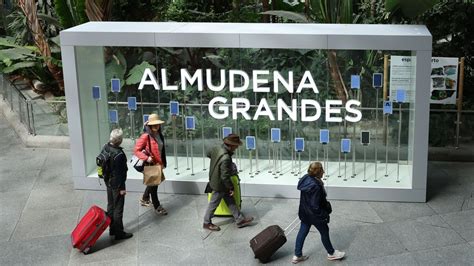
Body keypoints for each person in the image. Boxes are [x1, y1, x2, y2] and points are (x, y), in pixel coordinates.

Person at [292, 162, 345, 263]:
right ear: (318, 172)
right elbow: (314, 205)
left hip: (305, 212)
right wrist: (324, 215)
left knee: (302, 232)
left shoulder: (306, 178)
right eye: (322, 170)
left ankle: (297, 255)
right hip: (314, 215)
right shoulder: (316, 186)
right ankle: (331, 253)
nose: (323, 172)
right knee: (324, 231)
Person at [203, 133, 254, 231]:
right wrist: (230, 187)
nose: (237, 147)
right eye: (236, 145)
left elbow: (208, 153)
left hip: (215, 178)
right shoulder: (226, 158)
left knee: (230, 200)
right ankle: (206, 222)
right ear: (231, 145)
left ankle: (239, 220)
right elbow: (225, 176)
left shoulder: (217, 147)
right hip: (220, 183)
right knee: (214, 203)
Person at [134, 113, 168, 215]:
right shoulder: (145, 136)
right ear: (149, 125)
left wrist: (162, 162)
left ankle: (145, 198)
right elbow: (136, 150)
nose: (156, 126)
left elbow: (161, 151)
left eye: (157, 124)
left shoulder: (159, 134)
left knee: (154, 182)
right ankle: (157, 206)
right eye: (154, 125)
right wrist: (146, 158)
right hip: (151, 164)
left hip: (158, 163)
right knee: (154, 185)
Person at [105, 128, 133, 240]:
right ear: (120, 140)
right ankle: (119, 233)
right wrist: (122, 188)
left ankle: (112, 229)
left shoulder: (106, 147)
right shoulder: (119, 154)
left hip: (108, 182)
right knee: (118, 208)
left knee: (110, 206)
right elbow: (121, 173)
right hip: (117, 185)